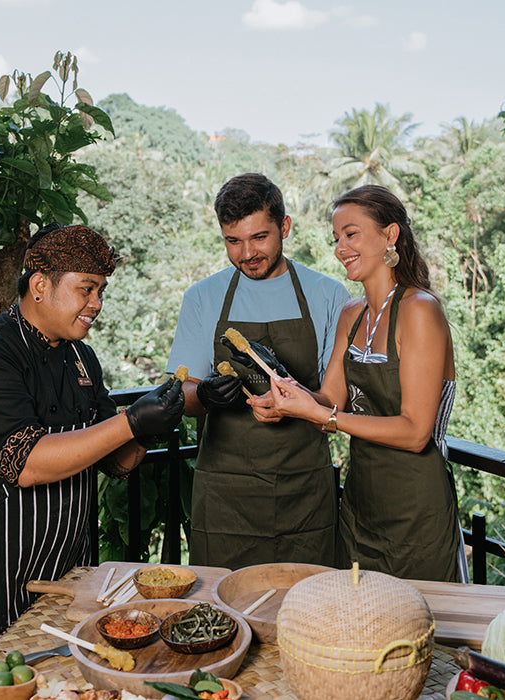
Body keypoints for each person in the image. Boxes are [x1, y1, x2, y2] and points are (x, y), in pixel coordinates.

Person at [0, 223, 185, 698]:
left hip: (64, 573)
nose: (97, 304)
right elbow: (27, 463)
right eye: (86, 288)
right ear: (40, 285)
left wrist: (155, 423)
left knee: (59, 687)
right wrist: (131, 420)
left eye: (101, 290)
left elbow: (117, 462)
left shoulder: (81, 358)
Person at [251, 185, 466, 582]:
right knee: (357, 627)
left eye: (351, 234)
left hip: (416, 510)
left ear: (390, 235)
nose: (340, 248)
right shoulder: (351, 314)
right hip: (360, 504)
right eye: (336, 238)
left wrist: (325, 416)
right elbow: (331, 399)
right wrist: (289, 398)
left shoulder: (420, 310)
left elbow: (416, 432)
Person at [166, 173, 350, 570]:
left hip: (305, 493)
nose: (246, 253)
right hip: (226, 496)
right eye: (233, 241)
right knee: (221, 617)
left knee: (307, 613)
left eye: (259, 238)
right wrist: (207, 397)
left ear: (284, 227)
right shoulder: (203, 297)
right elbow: (183, 395)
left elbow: (335, 402)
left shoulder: (329, 295)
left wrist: (299, 402)